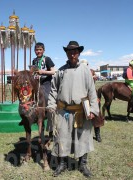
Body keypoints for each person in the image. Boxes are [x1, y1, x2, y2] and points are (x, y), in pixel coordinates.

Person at [48, 41, 99, 178]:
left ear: (79, 53)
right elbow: (53, 91)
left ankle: (83, 164)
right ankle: (62, 163)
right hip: (63, 111)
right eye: (70, 51)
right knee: (62, 137)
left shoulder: (85, 71)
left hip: (81, 111)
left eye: (75, 51)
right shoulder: (61, 71)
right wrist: (51, 106)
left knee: (83, 137)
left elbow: (92, 91)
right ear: (67, 53)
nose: (72, 54)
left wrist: (93, 110)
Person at [31, 42, 55, 138]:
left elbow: (53, 71)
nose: (38, 51)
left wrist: (42, 72)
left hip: (46, 83)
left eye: (40, 49)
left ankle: (51, 127)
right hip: (37, 83)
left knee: (49, 101)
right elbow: (33, 72)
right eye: (37, 50)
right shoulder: (34, 61)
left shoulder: (47, 59)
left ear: (43, 50)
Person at [81, 60, 103, 142]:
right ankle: (84, 134)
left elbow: (94, 79)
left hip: (93, 95)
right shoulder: (79, 72)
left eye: (85, 64)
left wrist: (93, 77)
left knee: (96, 115)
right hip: (82, 96)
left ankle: (97, 135)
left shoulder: (91, 71)